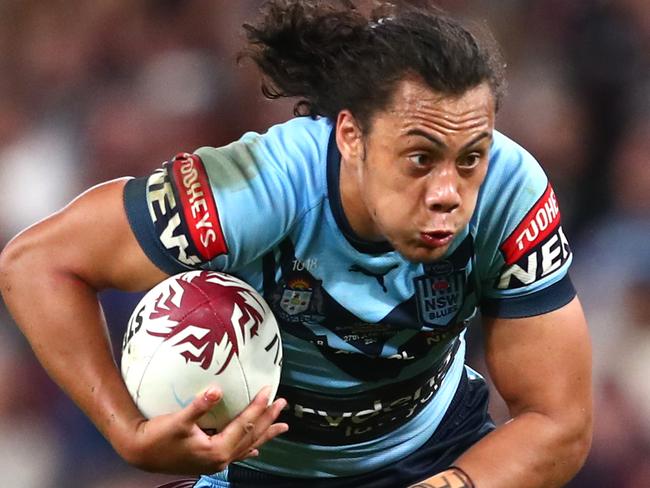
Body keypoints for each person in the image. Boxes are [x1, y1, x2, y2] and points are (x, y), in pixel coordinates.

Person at [0, 1, 592, 487]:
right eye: (419, 158)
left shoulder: (510, 192)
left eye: (470, 159)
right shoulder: (255, 188)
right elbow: (36, 264)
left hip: (437, 453)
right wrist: (126, 431)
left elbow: (559, 420)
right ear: (351, 136)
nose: (448, 192)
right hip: (261, 473)